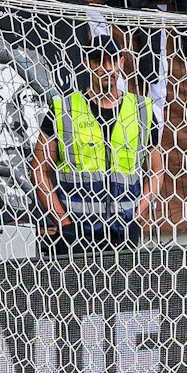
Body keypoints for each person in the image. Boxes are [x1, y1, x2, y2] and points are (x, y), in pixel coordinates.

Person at [35, 45, 162, 250]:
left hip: (124, 229)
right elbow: (38, 169)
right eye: (98, 61)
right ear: (86, 63)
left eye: (112, 61)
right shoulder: (64, 108)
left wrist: (140, 212)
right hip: (76, 231)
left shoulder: (142, 110)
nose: (107, 68)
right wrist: (63, 221)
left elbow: (157, 169)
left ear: (121, 63)